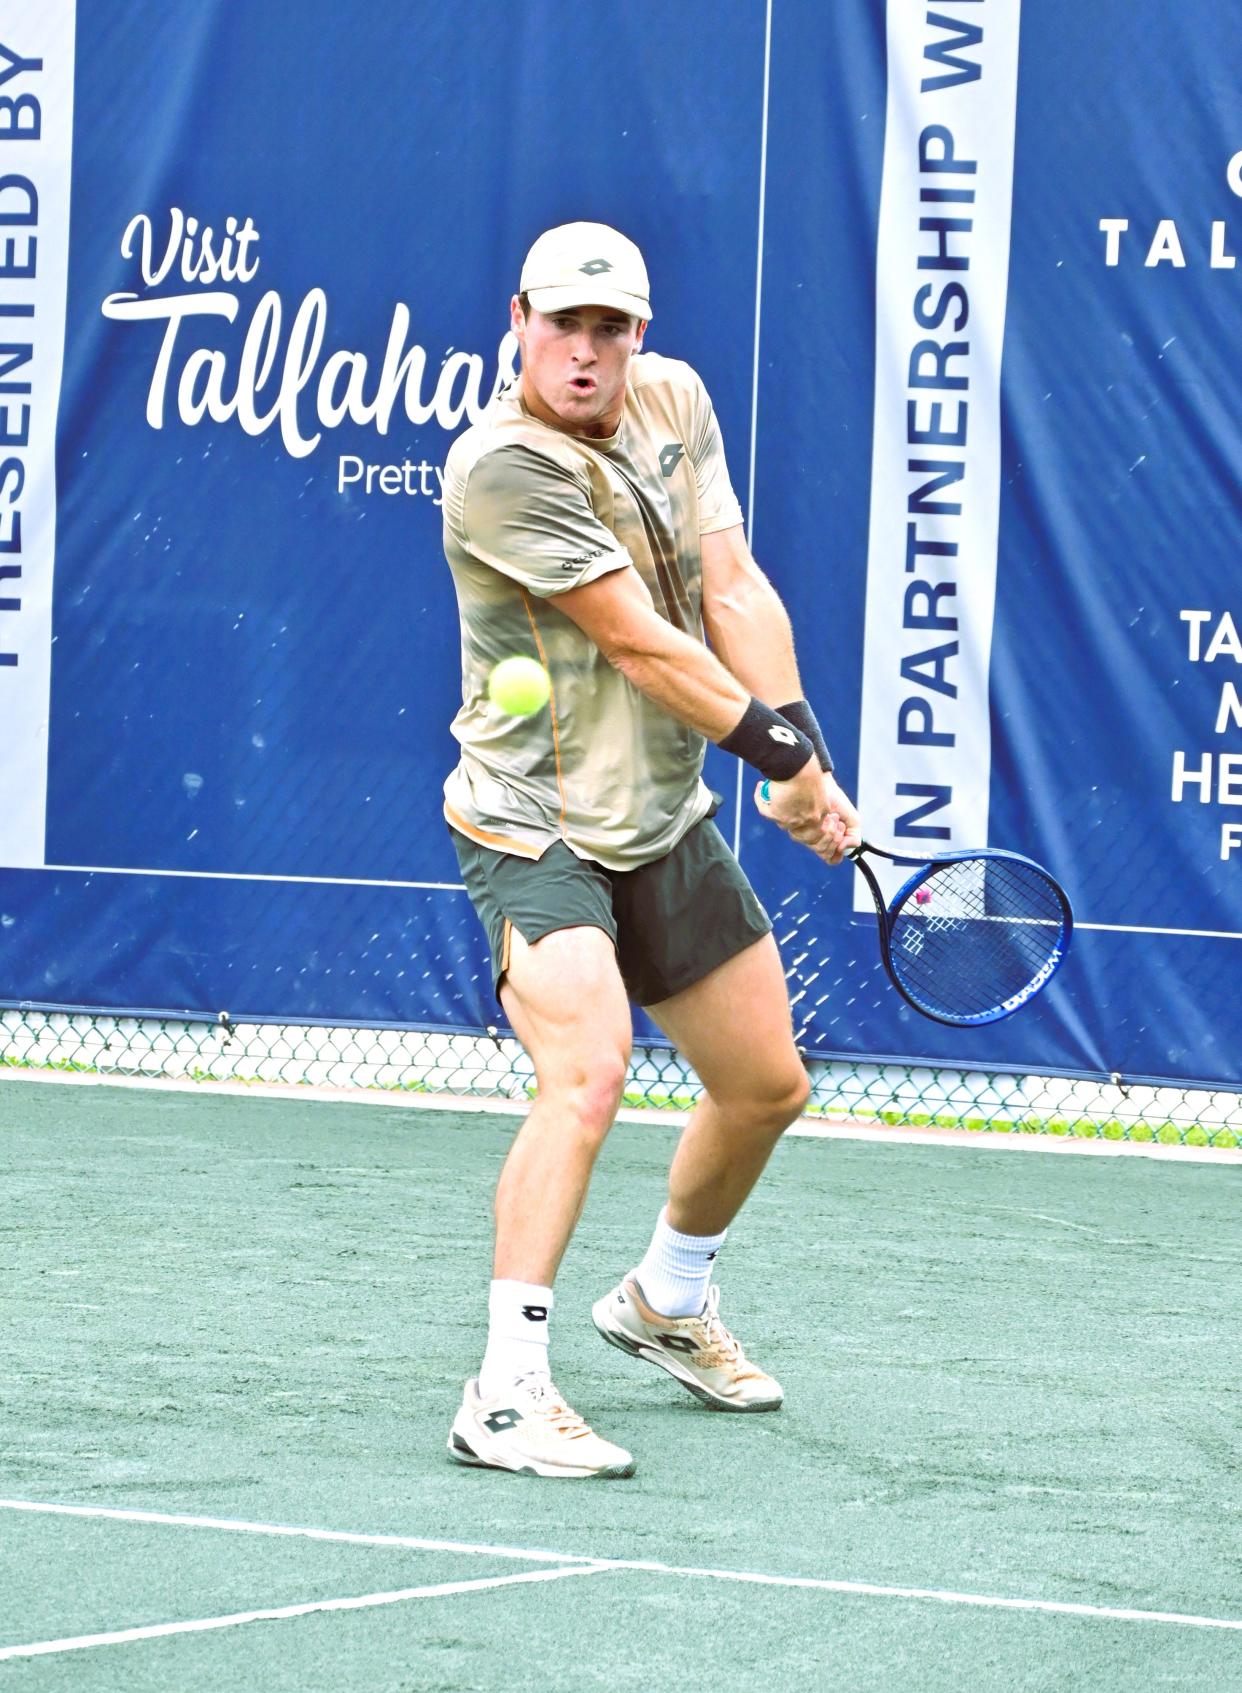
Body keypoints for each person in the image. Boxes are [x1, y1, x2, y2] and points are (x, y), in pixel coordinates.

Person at [441, 221, 861, 1479]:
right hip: (536, 824)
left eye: (608, 327)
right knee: (589, 1067)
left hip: (662, 818)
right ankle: (504, 1390)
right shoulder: (501, 468)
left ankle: (666, 1301)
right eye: (561, 323)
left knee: (765, 1086)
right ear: (517, 318)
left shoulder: (673, 401)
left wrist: (807, 750)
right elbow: (638, 642)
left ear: (642, 334)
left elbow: (730, 588)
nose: (584, 349)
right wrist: (780, 766)